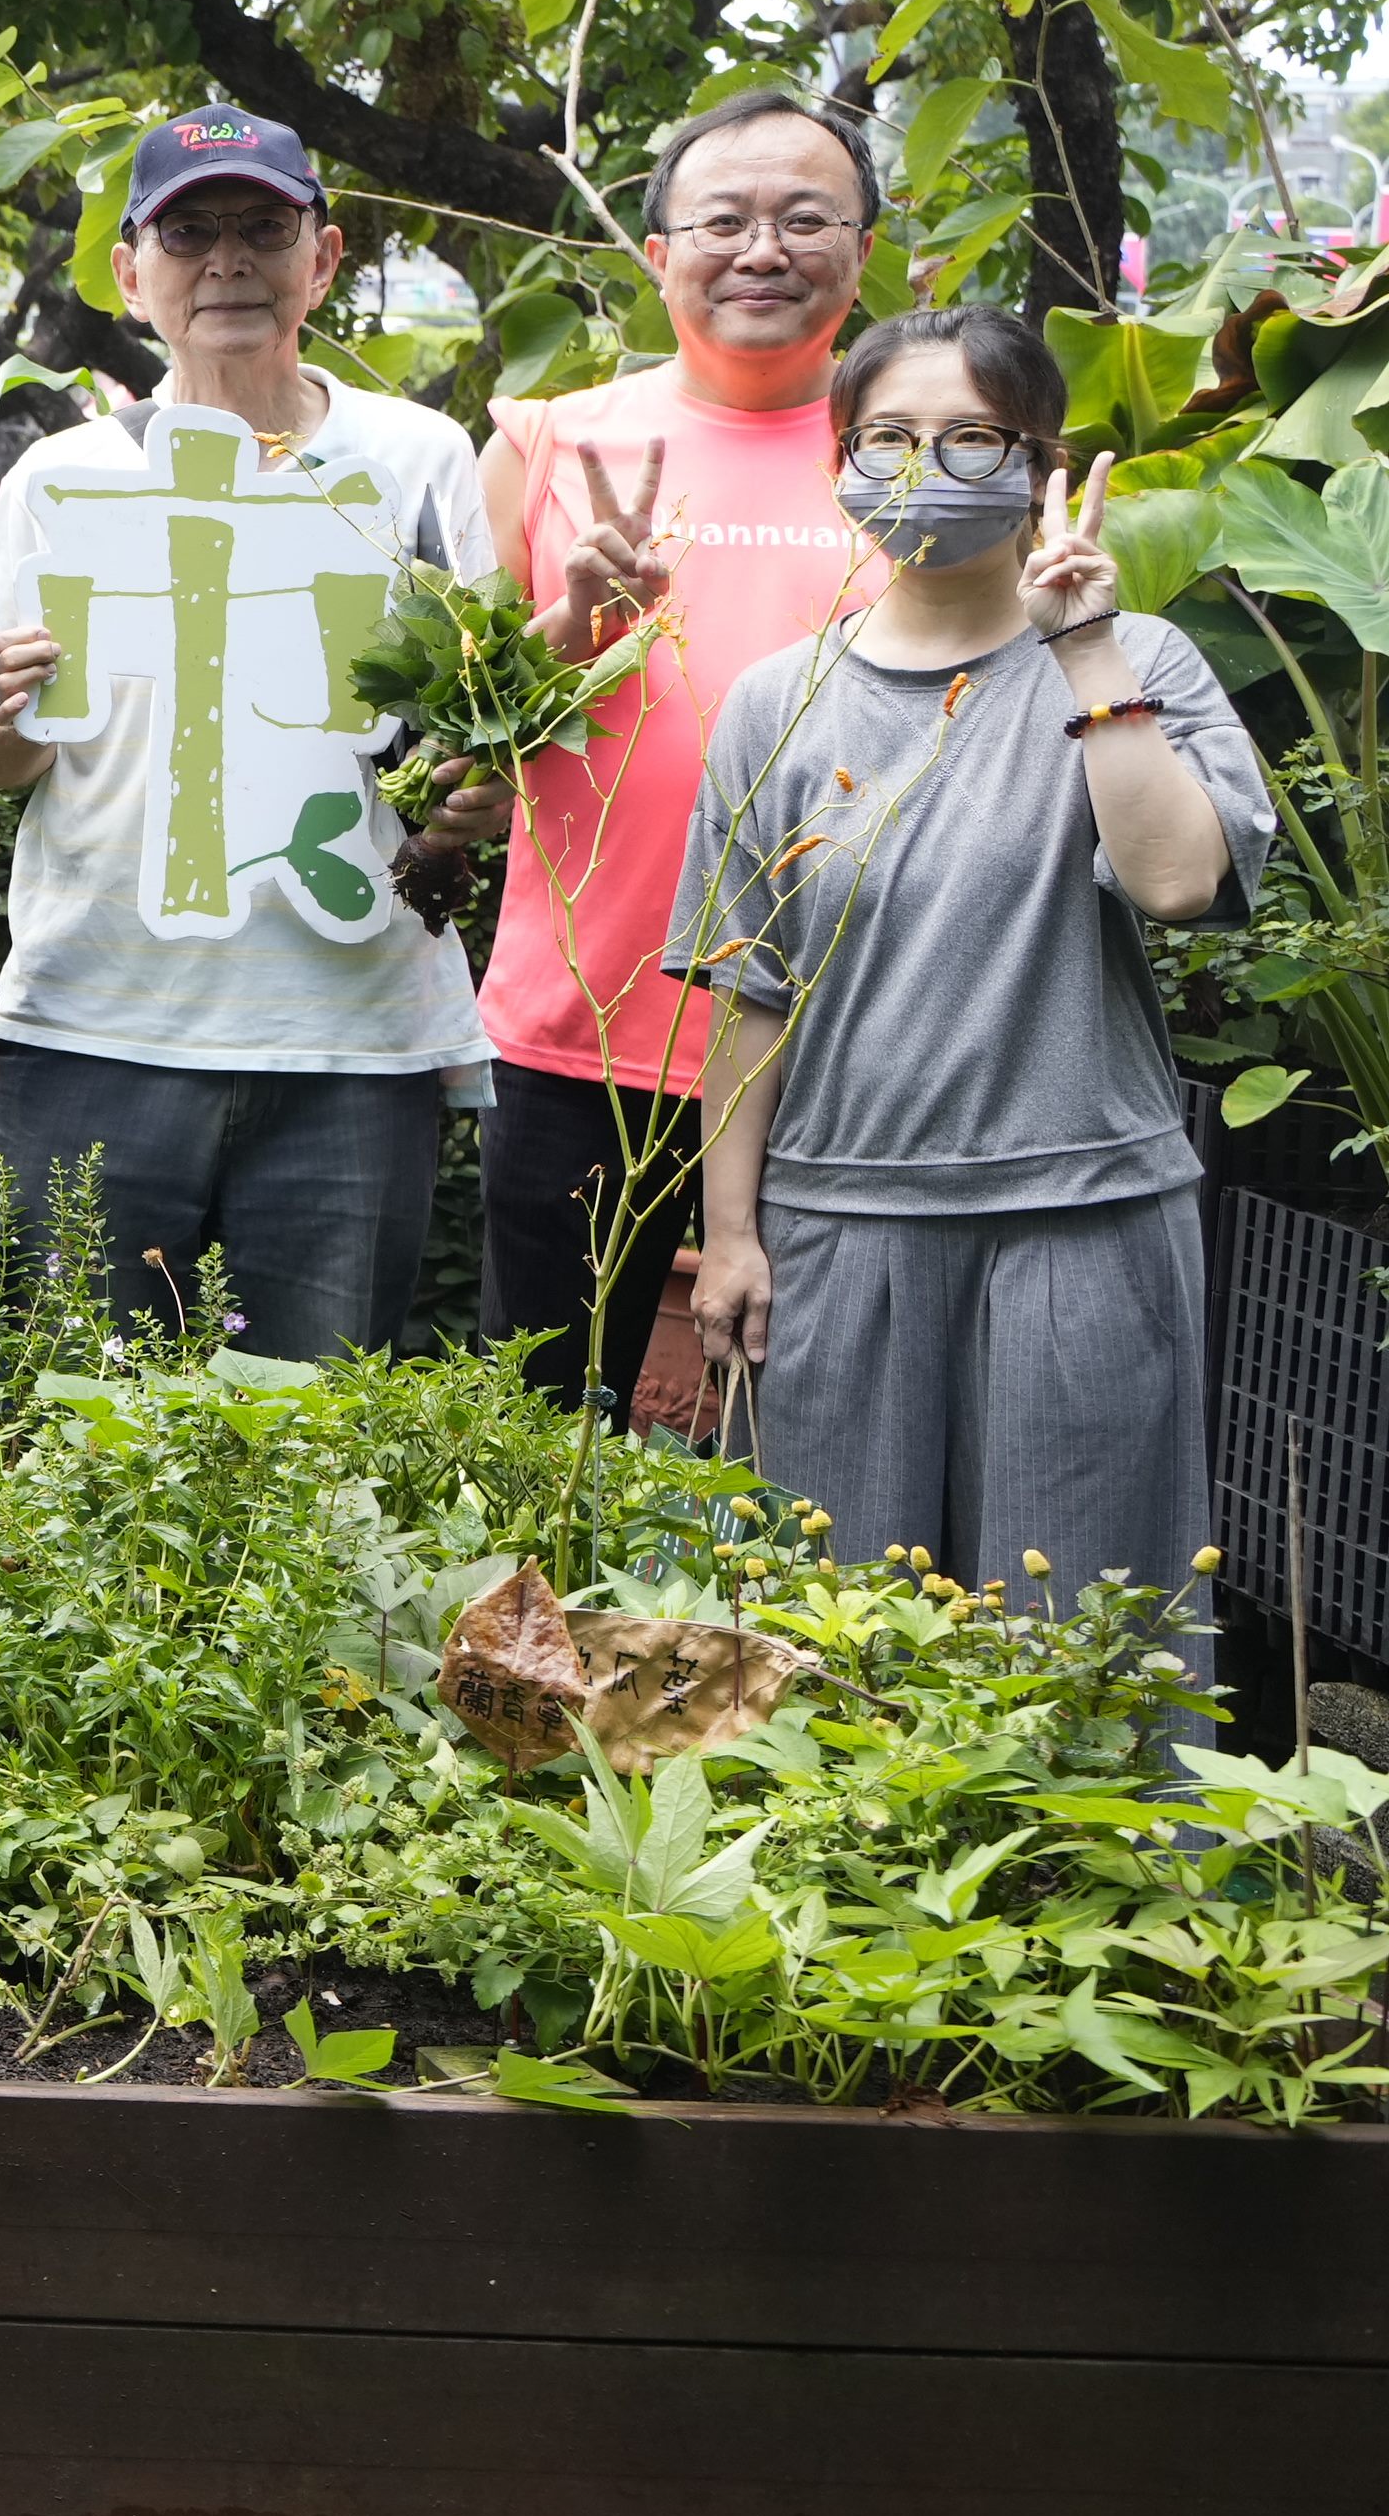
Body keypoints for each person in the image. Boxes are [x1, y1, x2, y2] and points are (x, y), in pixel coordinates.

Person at [672, 309, 1262, 1644]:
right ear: (840, 456)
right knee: (830, 1641)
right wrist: (734, 1234)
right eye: (886, 435)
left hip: (1081, 1222)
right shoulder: (775, 702)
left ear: (1038, 460)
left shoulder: (1142, 660)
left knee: (1081, 1645)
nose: (919, 465)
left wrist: (1086, 645)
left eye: (968, 436)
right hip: (836, 1229)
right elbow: (751, 991)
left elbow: (1177, 883)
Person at [0, 107, 489, 1358]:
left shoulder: (413, 460)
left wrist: (472, 794)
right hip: (97, 1019)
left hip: (352, 1033)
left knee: (312, 1458)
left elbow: (478, 727)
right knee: (65, 1437)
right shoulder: (60, 481)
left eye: (265, 229)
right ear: (130, 273)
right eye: (188, 232)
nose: (228, 263)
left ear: (325, 258)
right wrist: (3, 714)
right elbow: (0, 771)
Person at [477, 88, 877, 1414]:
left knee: (818, 1450)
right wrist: (572, 623)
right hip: (585, 1031)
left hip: (846, 1036)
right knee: (541, 1432)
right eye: (724, 220)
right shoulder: (549, 441)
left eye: (805, 218)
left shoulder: (923, 457)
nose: (763, 248)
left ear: (864, 252)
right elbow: (462, 746)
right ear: (658, 257)